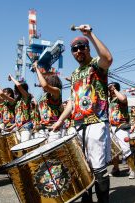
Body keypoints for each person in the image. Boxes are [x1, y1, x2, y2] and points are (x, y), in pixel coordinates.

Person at [52, 24, 112, 203]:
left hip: (96, 122)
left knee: (98, 166)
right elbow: (72, 101)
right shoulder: (75, 73)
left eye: (81, 47)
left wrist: (90, 35)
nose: (78, 51)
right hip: (77, 124)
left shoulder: (96, 65)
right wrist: (60, 120)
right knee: (82, 165)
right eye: (74, 49)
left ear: (87, 48)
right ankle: (87, 199)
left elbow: (107, 58)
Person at [108, 82, 135, 179]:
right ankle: (116, 169)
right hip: (112, 128)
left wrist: (114, 89)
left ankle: (132, 169)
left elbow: (123, 99)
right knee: (114, 150)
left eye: (111, 87)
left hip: (122, 127)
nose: (109, 89)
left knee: (126, 149)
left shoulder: (121, 97)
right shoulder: (110, 100)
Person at [32, 61, 63, 142]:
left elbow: (45, 85)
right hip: (42, 129)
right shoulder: (43, 96)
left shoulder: (57, 91)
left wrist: (36, 69)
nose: (40, 83)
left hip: (53, 129)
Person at [8, 75, 33, 142]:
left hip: (26, 126)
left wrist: (12, 77)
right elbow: (18, 116)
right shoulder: (18, 101)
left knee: (25, 146)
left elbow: (19, 86)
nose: (14, 90)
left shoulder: (26, 97)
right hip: (18, 128)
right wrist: (12, 127)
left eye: (15, 88)